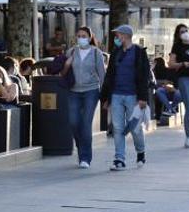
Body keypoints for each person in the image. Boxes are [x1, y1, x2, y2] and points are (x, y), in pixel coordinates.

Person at [101, 25, 150, 171]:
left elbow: (144, 76)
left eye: (118, 35)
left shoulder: (139, 53)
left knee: (135, 128)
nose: (116, 38)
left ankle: (140, 152)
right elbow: (109, 76)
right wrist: (105, 98)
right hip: (116, 95)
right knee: (117, 128)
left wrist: (143, 97)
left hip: (133, 96)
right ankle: (119, 159)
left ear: (126, 36)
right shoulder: (116, 53)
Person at [61, 27, 106, 169]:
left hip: (91, 91)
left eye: (84, 36)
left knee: (86, 124)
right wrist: (67, 65)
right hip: (73, 91)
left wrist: (105, 96)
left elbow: (102, 74)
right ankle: (81, 146)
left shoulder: (96, 53)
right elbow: (62, 73)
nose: (81, 38)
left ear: (90, 37)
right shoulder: (71, 51)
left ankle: (85, 157)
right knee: (73, 122)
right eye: (79, 36)